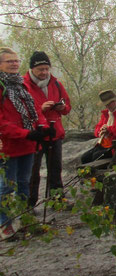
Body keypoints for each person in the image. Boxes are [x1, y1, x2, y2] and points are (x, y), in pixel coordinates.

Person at [0, 47, 50, 239]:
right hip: (7, 147)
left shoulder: (21, 85)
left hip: (27, 146)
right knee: (6, 186)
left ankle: (23, 219)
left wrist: (44, 127)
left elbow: (35, 111)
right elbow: (3, 124)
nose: (14, 64)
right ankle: (5, 224)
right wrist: (26, 133)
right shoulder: (2, 87)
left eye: (15, 60)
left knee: (24, 183)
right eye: (9, 61)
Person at [23, 51, 71, 208]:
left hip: (54, 132)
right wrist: (40, 109)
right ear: (32, 69)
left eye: (46, 69)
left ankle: (57, 201)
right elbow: (22, 111)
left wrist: (62, 107)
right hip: (35, 135)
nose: (44, 72)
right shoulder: (24, 86)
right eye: (40, 69)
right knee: (32, 172)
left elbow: (68, 107)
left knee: (55, 169)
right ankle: (30, 205)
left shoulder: (56, 84)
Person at [80, 90, 116, 164]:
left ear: (114, 102)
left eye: (108, 104)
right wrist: (100, 131)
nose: (106, 107)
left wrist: (109, 130)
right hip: (104, 145)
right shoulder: (106, 113)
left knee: (96, 157)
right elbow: (97, 128)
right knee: (84, 158)